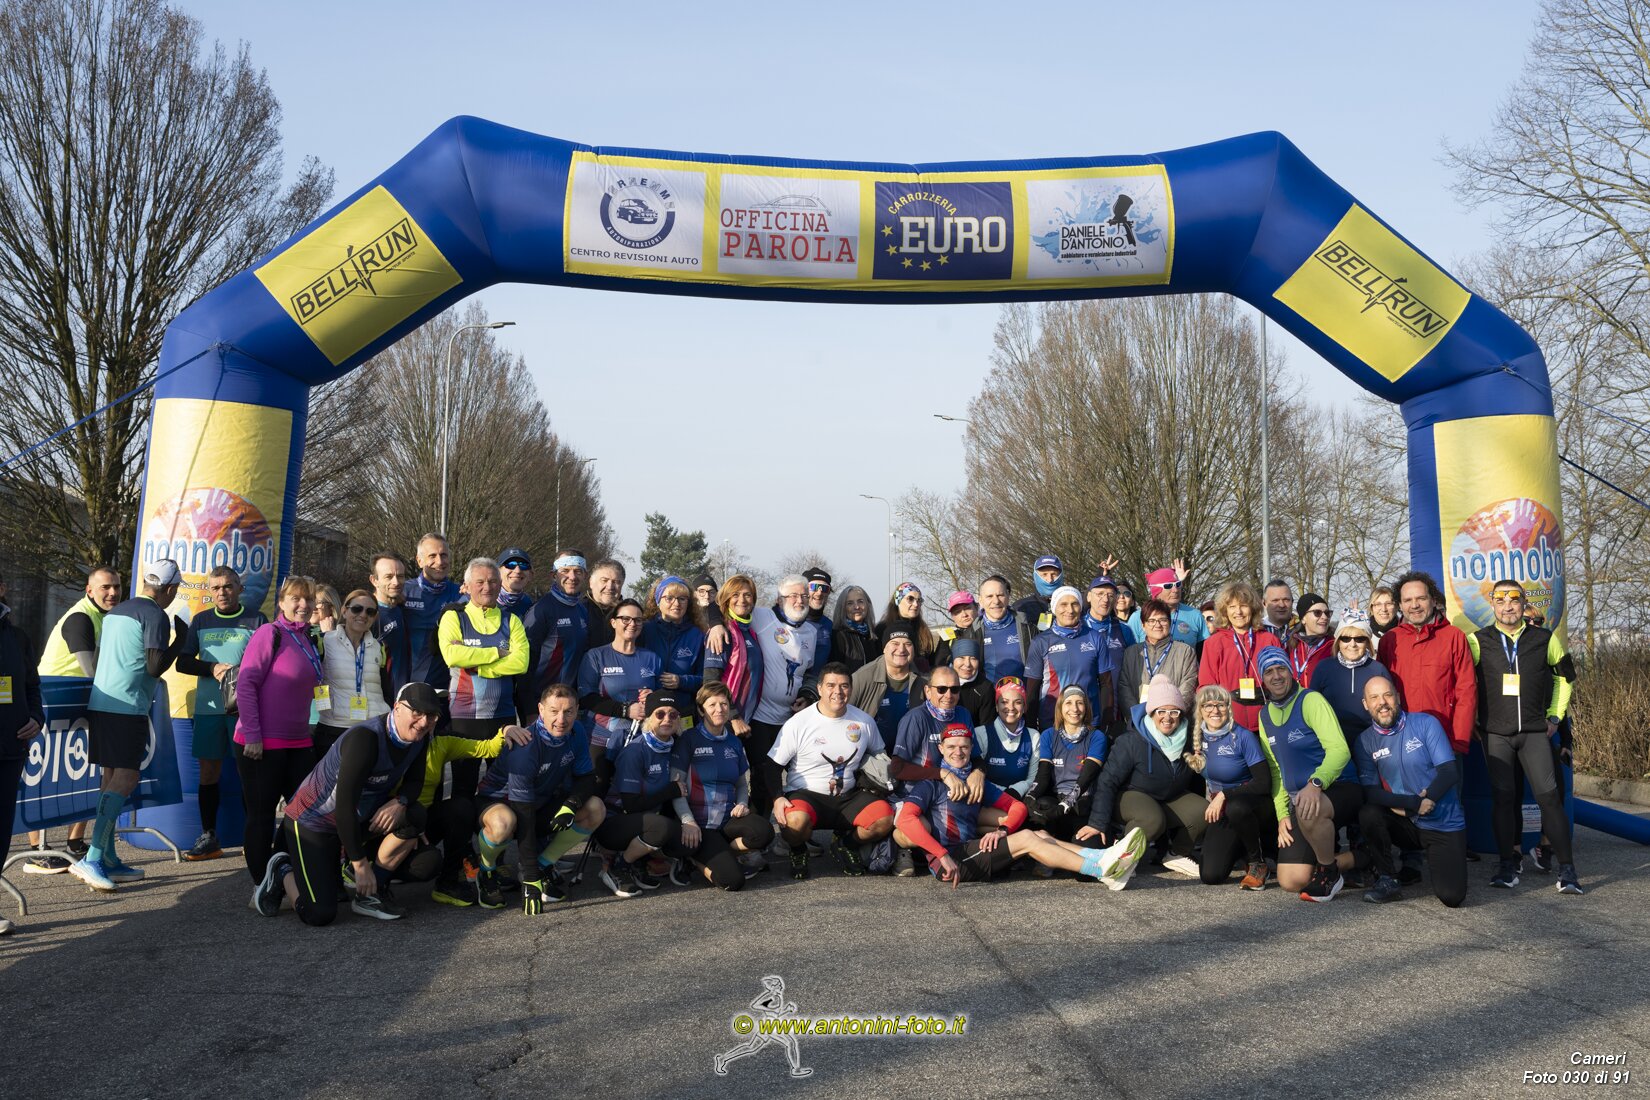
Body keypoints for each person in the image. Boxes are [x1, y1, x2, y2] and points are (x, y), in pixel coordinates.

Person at [251, 682, 441, 924]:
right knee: (320, 914)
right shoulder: (366, 739)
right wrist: (360, 864)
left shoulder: (420, 739)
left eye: (431, 716)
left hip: (353, 820)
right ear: (397, 707)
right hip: (312, 822)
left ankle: (369, 895)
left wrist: (400, 802)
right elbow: (343, 808)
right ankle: (282, 869)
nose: (424, 722)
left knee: (414, 815)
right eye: (417, 712)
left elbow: (415, 783)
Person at [897, 723, 1147, 887]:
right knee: (1027, 838)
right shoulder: (930, 785)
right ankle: (1102, 870)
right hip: (949, 862)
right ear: (941, 749)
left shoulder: (976, 783)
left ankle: (1103, 857)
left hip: (970, 850)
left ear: (972, 748)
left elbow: (1017, 808)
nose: (958, 752)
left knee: (1040, 834)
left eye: (964, 746)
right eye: (951, 747)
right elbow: (905, 820)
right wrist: (941, 855)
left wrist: (1002, 830)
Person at [71, 559, 186, 892]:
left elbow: (103, 659)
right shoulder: (155, 615)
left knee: (109, 777)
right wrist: (180, 640)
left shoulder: (116, 612)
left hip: (102, 702)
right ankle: (92, 857)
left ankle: (107, 857)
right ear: (169, 589)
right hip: (127, 706)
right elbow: (154, 667)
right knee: (127, 777)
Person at [1466, 579, 1582, 894]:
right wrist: (1470, 718)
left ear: (1523, 602)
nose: (1508, 606)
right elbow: (1462, 682)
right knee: (1504, 799)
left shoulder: (1545, 638)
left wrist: (1555, 716)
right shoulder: (1477, 640)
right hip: (1496, 734)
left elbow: (1566, 678)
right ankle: (1507, 864)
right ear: (1492, 603)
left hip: (1533, 732)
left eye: (1514, 600)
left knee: (1549, 798)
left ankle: (1568, 871)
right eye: (1501, 600)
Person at [472, 683, 603, 911]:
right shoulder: (525, 747)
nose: (561, 719)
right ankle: (486, 871)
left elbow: (586, 778)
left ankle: (544, 865)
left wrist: (571, 805)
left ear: (576, 711)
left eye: (568, 711)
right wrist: (530, 880)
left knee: (595, 808)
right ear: (541, 710)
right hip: (501, 804)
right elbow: (524, 817)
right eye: (554, 711)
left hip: (537, 802)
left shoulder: (578, 731)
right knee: (504, 823)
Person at [229, 575, 323, 888]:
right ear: (281, 602)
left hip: (299, 742)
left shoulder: (307, 639)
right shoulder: (270, 634)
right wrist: (253, 735)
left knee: (301, 811)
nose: (303, 604)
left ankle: (279, 868)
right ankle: (263, 885)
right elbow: (246, 684)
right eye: (296, 598)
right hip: (262, 743)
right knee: (262, 816)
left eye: (309, 599)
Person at [27, 565, 122, 872]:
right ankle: (36, 849)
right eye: (105, 587)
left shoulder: (107, 617)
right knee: (44, 776)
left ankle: (74, 842)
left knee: (87, 773)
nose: (113, 592)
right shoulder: (81, 617)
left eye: (117, 586)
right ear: (89, 590)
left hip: (81, 704)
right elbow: (90, 670)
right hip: (53, 704)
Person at [1255, 644, 1362, 902]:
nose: (1276, 676)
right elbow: (1277, 771)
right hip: (1301, 799)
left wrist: (1316, 783)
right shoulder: (1264, 715)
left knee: (1308, 807)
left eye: (1281, 668)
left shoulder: (1311, 700)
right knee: (1291, 881)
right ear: (1262, 679)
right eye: (1269, 671)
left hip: (1339, 787)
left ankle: (1328, 873)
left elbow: (1339, 750)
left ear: (1291, 671)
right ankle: (1354, 859)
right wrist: (1282, 815)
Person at [770, 664, 896, 880]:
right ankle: (798, 850)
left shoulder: (864, 721)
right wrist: (777, 798)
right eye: (831, 685)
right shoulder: (798, 723)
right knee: (793, 822)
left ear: (851, 689)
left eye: (844, 686)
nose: (838, 691)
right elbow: (772, 765)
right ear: (819, 688)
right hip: (807, 795)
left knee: (884, 818)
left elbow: (879, 755)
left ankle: (846, 845)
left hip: (848, 796)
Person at [175, 566, 266, 860]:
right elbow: (182, 662)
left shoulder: (257, 619)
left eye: (227, 586)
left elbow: (268, 662)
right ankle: (209, 836)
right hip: (209, 709)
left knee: (248, 773)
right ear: (209, 592)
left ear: (239, 588)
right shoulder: (201, 620)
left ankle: (255, 837)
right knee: (208, 772)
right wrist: (211, 667)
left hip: (245, 710)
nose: (222, 592)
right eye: (215, 588)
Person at [1354, 677, 1468, 907]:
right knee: (1369, 813)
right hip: (1407, 820)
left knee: (1452, 897)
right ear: (1366, 704)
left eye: (1387, 695)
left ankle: (1436, 862)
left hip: (1440, 821)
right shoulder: (1365, 741)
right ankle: (1388, 879)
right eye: (1374, 698)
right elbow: (1371, 793)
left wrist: (1429, 799)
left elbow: (1449, 771)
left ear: (1397, 697)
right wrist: (1414, 804)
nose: (1382, 702)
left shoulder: (1426, 723)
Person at [1081, 675, 1205, 879]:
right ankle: (1121, 857)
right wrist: (1097, 822)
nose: (1167, 717)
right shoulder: (1132, 740)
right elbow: (1107, 781)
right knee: (1151, 818)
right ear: (1151, 712)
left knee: (1204, 811)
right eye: (1161, 711)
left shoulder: (1189, 739)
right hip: (1130, 796)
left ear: (1181, 714)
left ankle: (1175, 853)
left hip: (1167, 797)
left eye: (1174, 711)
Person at [436, 558, 530, 799]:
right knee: (463, 788)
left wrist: (478, 666)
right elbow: (452, 656)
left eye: (492, 581)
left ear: (500, 584)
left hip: (503, 715)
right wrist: (497, 652)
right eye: (480, 582)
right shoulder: (454, 617)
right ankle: (463, 826)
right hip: (464, 717)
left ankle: (493, 823)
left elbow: (521, 663)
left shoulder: (511, 620)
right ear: (467, 586)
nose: (487, 587)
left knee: (501, 787)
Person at [670, 682, 773, 890]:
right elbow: (676, 786)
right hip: (700, 827)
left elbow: (741, 784)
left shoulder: (734, 742)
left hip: (727, 821)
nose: (719, 709)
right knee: (733, 881)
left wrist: (742, 803)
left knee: (765, 832)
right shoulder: (689, 739)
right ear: (701, 710)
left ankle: (724, 852)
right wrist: (688, 821)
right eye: (712, 705)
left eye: (724, 704)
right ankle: (694, 859)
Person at [594, 691, 695, 897]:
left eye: (673, 714)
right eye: (660, 714)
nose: (667, 719)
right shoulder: (635, 750)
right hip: (616, 821)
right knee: (662, 828)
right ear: (648, 718)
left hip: (644, 818)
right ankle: (618, 867)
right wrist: (670, 791)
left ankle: (640, 861)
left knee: (687, 840)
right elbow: (631, 805)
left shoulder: (675, 747)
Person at [888, 665, 978, 876]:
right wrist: (941, 774)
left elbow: (976, 756)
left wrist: (978, 773)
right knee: (913, 833)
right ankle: (899, 846)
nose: (948, 695)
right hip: (914, 797)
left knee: (995, 818)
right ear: (928, 691)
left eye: (954, 689)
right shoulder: (916, 718)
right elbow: (897, 768)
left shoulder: (963, 714)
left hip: (950, 797)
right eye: (941, 689)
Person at [1376, 571, 1476, 758]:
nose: (1414, 605)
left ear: (1433, 600)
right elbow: (1381, 693)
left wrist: (1459, 741)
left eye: (1421, 598)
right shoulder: (1389, 640)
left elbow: (1466, 692)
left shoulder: (1454, 637)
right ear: (1400, 605)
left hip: (1445, 740)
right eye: (1407, 600)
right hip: (1400, 741)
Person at [745, 575, 820, 815]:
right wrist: (716, 625)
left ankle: (792, 826)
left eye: (804, 596)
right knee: (761, 775)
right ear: (779, 599)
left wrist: (808, 695)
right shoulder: (762, 617)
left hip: (791, 718)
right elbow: (728, 607)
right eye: (793, 596)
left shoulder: (812, 632)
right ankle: (758, 829)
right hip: (761, 716)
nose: (800, 601)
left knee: (797, 775)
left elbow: (809, 672)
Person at [1187, 685, 1273, 889]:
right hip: (1223, 809)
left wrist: (1224, 795)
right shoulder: (1198, 737)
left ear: (1229, 707)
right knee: (1211, 875)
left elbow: (1263, 783)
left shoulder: (1243, 736)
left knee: (1236, 808)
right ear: (1200, 710)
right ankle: (1240, 850)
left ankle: (1257, 863)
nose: (1215, 711)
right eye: (1208, 705)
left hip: (1251, 805)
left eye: (1221, 705)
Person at [0, 578, 45, 932]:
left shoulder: (16, 637)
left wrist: (35, 717)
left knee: (1, 832)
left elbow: (32, 686)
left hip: (9, 750)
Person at [577, 598, 661, 761]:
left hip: (639, 737)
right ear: (613, 622)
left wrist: (652, 697)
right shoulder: (595, 656)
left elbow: (661, 696)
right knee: (597, 777)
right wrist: (626, 710)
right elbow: (587, 698)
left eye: (638, 620)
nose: (632, 624)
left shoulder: (652, 658)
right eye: (626, 619)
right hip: (601, 736)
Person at [1025, 686, 1108, 849]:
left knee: (1083, 848)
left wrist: (1066, 804)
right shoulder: (1049, 735)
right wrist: (1030, 796)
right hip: (1057, 799)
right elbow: (1043, 775)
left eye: (1080, 703)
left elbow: (1086, 778)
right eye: (1068, 703)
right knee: (1040, 806)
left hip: (1083, 802)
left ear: (1086, 707)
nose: (1074, 709)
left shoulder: (1097, 736)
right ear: (1060, 707)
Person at [1023, 586, 1115, 730]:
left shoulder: (1095, 637)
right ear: (1054, 608)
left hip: (1088, 722)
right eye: (1063, 604)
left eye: (1075, 604)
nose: (1070, 610)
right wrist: (1030, 727)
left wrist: (1105, 723)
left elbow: (1106, 684)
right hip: (1052, 722)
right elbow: (1032, 691)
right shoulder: (1040, 642)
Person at [313, 588, 391, 759]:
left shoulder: (380, 647)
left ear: (375, 617)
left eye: (370, 612)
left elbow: (387, 690)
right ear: (344, 611)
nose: (363, 615)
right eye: (357, 609)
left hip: (372, 728)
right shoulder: (324, 641)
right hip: (334, 728)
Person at [1197, 579, 1282, 733]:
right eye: (1232, 607)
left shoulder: (1269, 640)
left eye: (1243, 605)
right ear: (1225, 611)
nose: (1238, 612)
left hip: (1268, 723)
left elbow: (1282, 680)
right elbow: (1206, 687)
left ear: (1253, 608)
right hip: (1228, 725)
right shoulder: (1213, 643)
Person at [518, 549, 593, 717]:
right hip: (542, 706)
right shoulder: (541, 610)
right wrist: (529, 710)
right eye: (565, 571)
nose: (572, 577)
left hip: (569, 706)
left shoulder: (582, 609)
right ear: (553, 575)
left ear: (585, 575)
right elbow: (525, 664)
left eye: (578, 571)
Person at [1307, 608, 1389, 739]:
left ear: (1367, 642)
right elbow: (1311, 708)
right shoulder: (1323, 668)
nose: (1352, 644)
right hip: (1331, 740)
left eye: (1359, 639)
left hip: (1371, 741)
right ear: (1338, 641)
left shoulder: (1378, 670)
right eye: (1346, 638)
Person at [701, 575, 764, 740]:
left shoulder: (751, 632)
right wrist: (733, 717)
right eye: (735, 595)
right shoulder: (721, 633)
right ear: (727, 599)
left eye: (747, 595)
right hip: (726, 722)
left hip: (748, 721)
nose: (742, 600)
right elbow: (710, 683)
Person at [849, 622, 924, 749]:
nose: (901, 649)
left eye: (908, 644)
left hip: (909, 752)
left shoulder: (923, 680)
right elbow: (843, 714)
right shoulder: (862, 677)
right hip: (870, 752)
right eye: (895, 643)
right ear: (884, 648)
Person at [1118, 598, 1199, 717]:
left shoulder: (1185, 652)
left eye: (1163, 620)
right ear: (1143, 625)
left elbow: (1188, 687)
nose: (1157, 625)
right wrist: (1137, 717)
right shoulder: (1131, 653)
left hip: (1172, 720)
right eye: (1151, 620)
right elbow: (1124, 687)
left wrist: (1170, 715)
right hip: (1138, 720)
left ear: (1170, 623)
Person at [404, 533, 461, 684]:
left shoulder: (461, 593)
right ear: (419, 561)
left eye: (444, 555)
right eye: (432, 556)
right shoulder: (403, 592)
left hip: (447, 686)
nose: (439, 561)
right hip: (407, 683)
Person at [973, 676, 1039, 799]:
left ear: (1024, 707)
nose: (1011, 707)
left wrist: (1015, 791)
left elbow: (1033, 779)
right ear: (997, 706)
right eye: (1004, 702)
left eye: (1018, 702)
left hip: (1020, 798)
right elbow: (976, 777)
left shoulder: (1033, 736)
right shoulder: (981, 733)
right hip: (989, 799)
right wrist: (1004, 793)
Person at [641, 575, 706, 697]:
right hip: (650, 705)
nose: (676, 603)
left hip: (684, 705)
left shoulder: (697, 635)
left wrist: (682, 681)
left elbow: (706, 679)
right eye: (669, 598)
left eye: (682, 599)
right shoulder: (644, 630)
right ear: (658, 601)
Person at [1125, 562, 1207, 648]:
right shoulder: (1137, 617)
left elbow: (1204, 651)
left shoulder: (1195, 615)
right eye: (1168, 586)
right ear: (1156, 590)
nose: (1175, 590)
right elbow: (1130, 651)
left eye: (1178, 584)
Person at [369, 552, 413, 697]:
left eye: (400, 576)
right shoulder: (366, 614)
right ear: (374, 580)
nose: (396, 582)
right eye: (388, 577)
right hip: (378, 699)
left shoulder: (402, 609)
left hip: (402, 696)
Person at [976, 574, 1035, 682]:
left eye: (1000, 595)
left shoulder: (1027, 627)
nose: (996, 601)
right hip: (990, 693)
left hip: (1025, 692)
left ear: (1008, 596)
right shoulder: (973, 632)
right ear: (980, 601)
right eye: (989, 596)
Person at [876, 582, 936, 666]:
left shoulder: (923, 631)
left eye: (919, 600)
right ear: (898, 601)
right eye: (910, 599)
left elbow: (931, 661)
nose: (916, 604)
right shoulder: (883, 629)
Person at [827, 584, 879, 671]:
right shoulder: (837, 636)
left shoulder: (874, 636)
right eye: (850, 603)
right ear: (842, 608)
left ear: (868, 604)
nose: (857, 607)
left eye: (860, 601)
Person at [1084, 576, 1131, 672]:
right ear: (1089, 597)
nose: (1105, 599)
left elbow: (1134, 666)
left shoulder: (1124, 629)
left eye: (1110, 595)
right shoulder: (1076, 627)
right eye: (1100, 594)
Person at [1286, 593, 1335, 684]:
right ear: (1303, 619)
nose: (1324, 617)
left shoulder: (1335, 646)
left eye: (1327, 613)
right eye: (1317, 613)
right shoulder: (1292, 645)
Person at [582, 558, 628, 651]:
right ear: (591, 582)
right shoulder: (578, 611)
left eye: (616, 582)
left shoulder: (629, 615)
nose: (610, 587)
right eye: (604, 580)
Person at [949, 639, 994, 727]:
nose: (967, 664)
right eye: (962, 657)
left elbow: (986, 726)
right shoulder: (941, 682)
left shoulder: (985, 688)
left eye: (973, 658)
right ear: (953, 660)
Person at [1014, 555, 1064, 633]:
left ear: (1061, 576)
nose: (1050, 580)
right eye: (1044, 574)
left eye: (1054, 574)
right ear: (1035, 576)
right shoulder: (1021, 607)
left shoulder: (1074, 605)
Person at [933, 590, 981, 667]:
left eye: (967, 608)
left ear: (976, 607)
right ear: (952, 616)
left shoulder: (987, 629)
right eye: (958, 612)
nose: (964, 615)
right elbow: (938, 666)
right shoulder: (947, 636)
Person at [801, 568, 834, 675]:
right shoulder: (790, 622)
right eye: (814, 587)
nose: (819, 593)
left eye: (824, 588)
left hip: (819, 683)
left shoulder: (829, 625)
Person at [497, 547, 536, 616]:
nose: (517, 571)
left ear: (531, 575)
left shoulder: (534, 607)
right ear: (497, 572)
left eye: (523, 565)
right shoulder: (483, 604)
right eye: (510, 564)